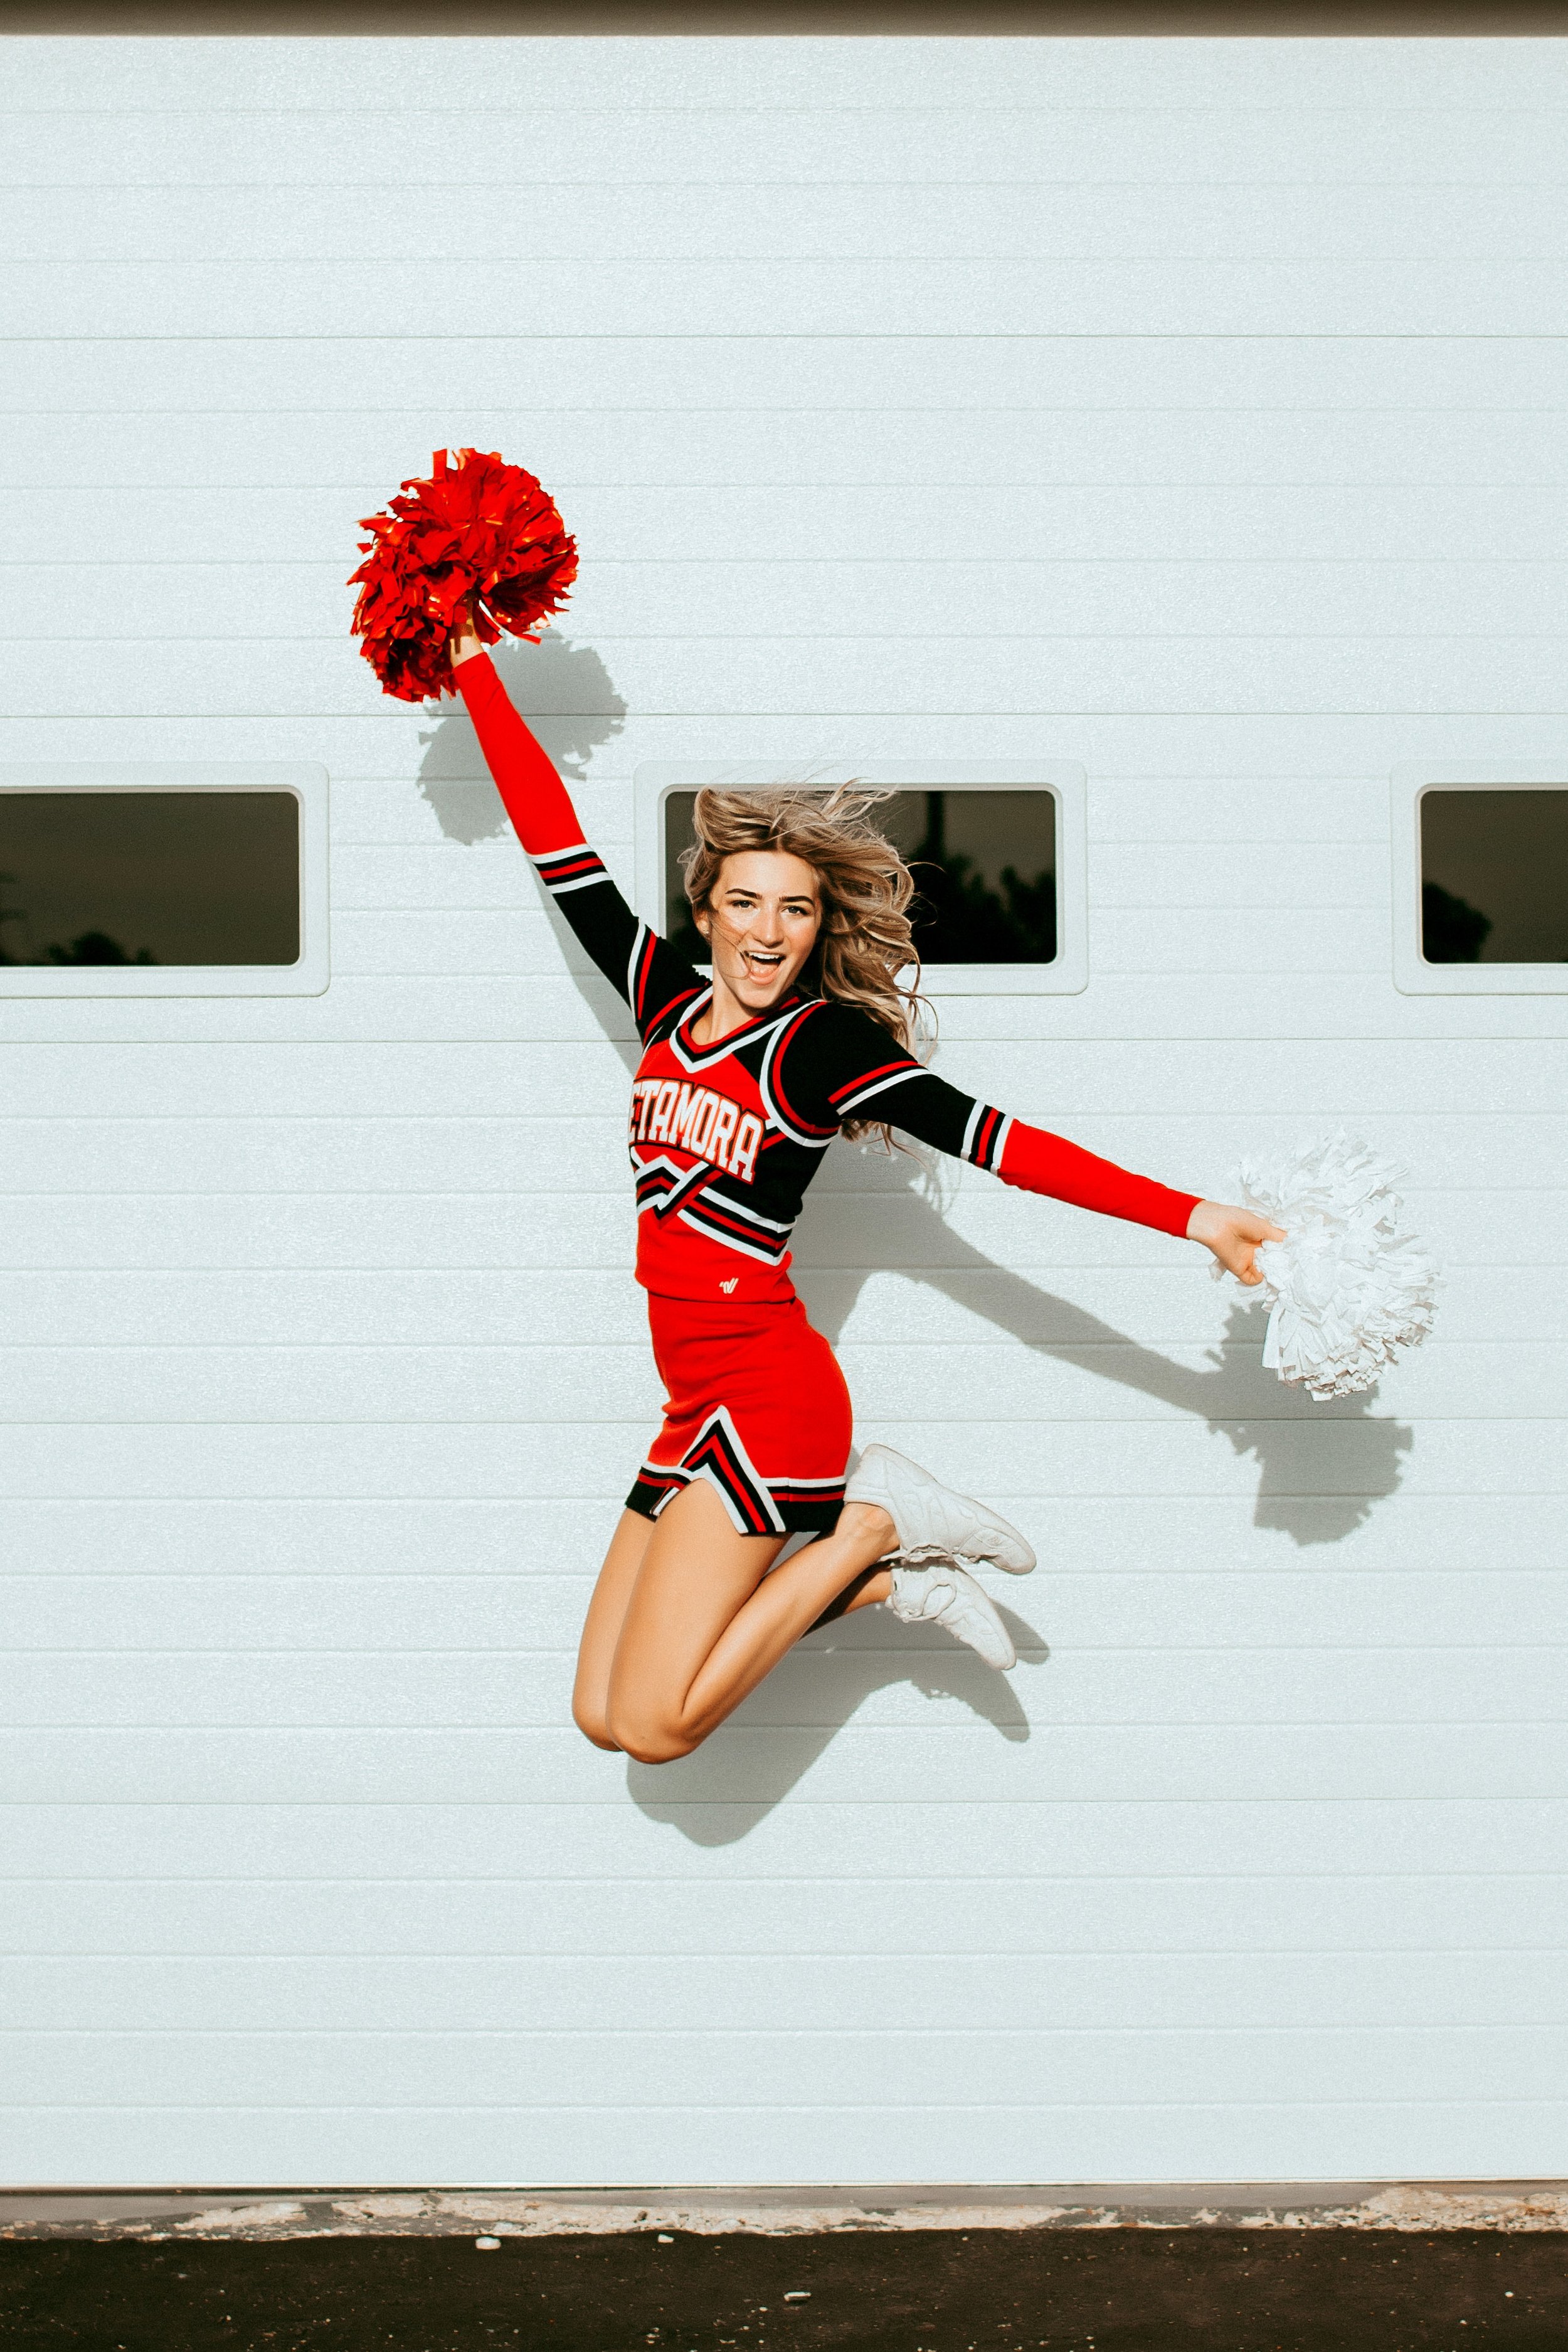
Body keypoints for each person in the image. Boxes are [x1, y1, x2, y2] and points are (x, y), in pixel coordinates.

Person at [449, 618, 1283, 1764]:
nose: (768, 932)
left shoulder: (819, 1049)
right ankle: (889, 1580)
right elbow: (558, 847)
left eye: (795, 911)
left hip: (770, 1402)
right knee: (599, 1711)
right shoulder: (660, 1002)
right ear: (706, 911)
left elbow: (999, 1139)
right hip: (688, 1406)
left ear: (815, 928)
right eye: (744, 903)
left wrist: (1191, 1214)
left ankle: (871, 1525)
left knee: (654, 1726)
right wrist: (468, 664)